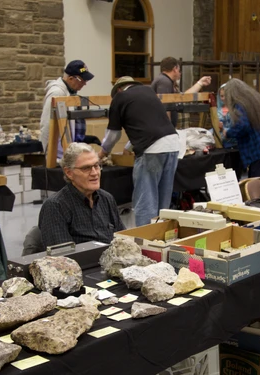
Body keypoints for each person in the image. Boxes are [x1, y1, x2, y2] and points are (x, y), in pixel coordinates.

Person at [99, 76, 180, 227]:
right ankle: (160, 239)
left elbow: (113, 134)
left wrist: (102, 153)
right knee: (163, 202)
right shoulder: (148, 92)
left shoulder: (120, 98)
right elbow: (148, 125)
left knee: (146, 201)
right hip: (173, 145)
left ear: (118, 89)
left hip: (152, 150)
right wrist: (128, 148)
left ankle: (145, 242)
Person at [39, 143, 125, 247]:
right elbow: (62, 256)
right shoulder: (55, 206)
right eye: (86, 168)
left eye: (96, 166)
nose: (95, 173)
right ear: (69, 173)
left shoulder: (107, 199)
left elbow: (123, 240)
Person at [221, 78, 260, 179]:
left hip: (258, 149)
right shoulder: (253, 100)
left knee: (256, 182)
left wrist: (228, 133)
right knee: (258, 180)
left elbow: (242, 126)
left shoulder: (240, 105)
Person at [39, 60, 98, 159]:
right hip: (58, 153)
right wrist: (47, 153)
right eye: (82, 80)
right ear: (71, 78)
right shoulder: (57, 93)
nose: (84, 84)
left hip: (67, 149)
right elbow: (47, 124)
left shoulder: (71, 93)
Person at [151, 57, 212, 126]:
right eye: (179, 70)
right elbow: (165, 107)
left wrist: (200, 83)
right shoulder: (164, 82)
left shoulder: (166, 81)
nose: (180, 73)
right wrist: (168, 130)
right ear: (175, 69)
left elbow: (183, 97)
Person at [216, 83, 237, 148]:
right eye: (222, 96)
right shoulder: (217, 110)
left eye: (226, 96)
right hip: (220, 143)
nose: (224, 98)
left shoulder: (237, 110)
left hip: (235, 143)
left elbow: (238, 127)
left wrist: (224, 129)